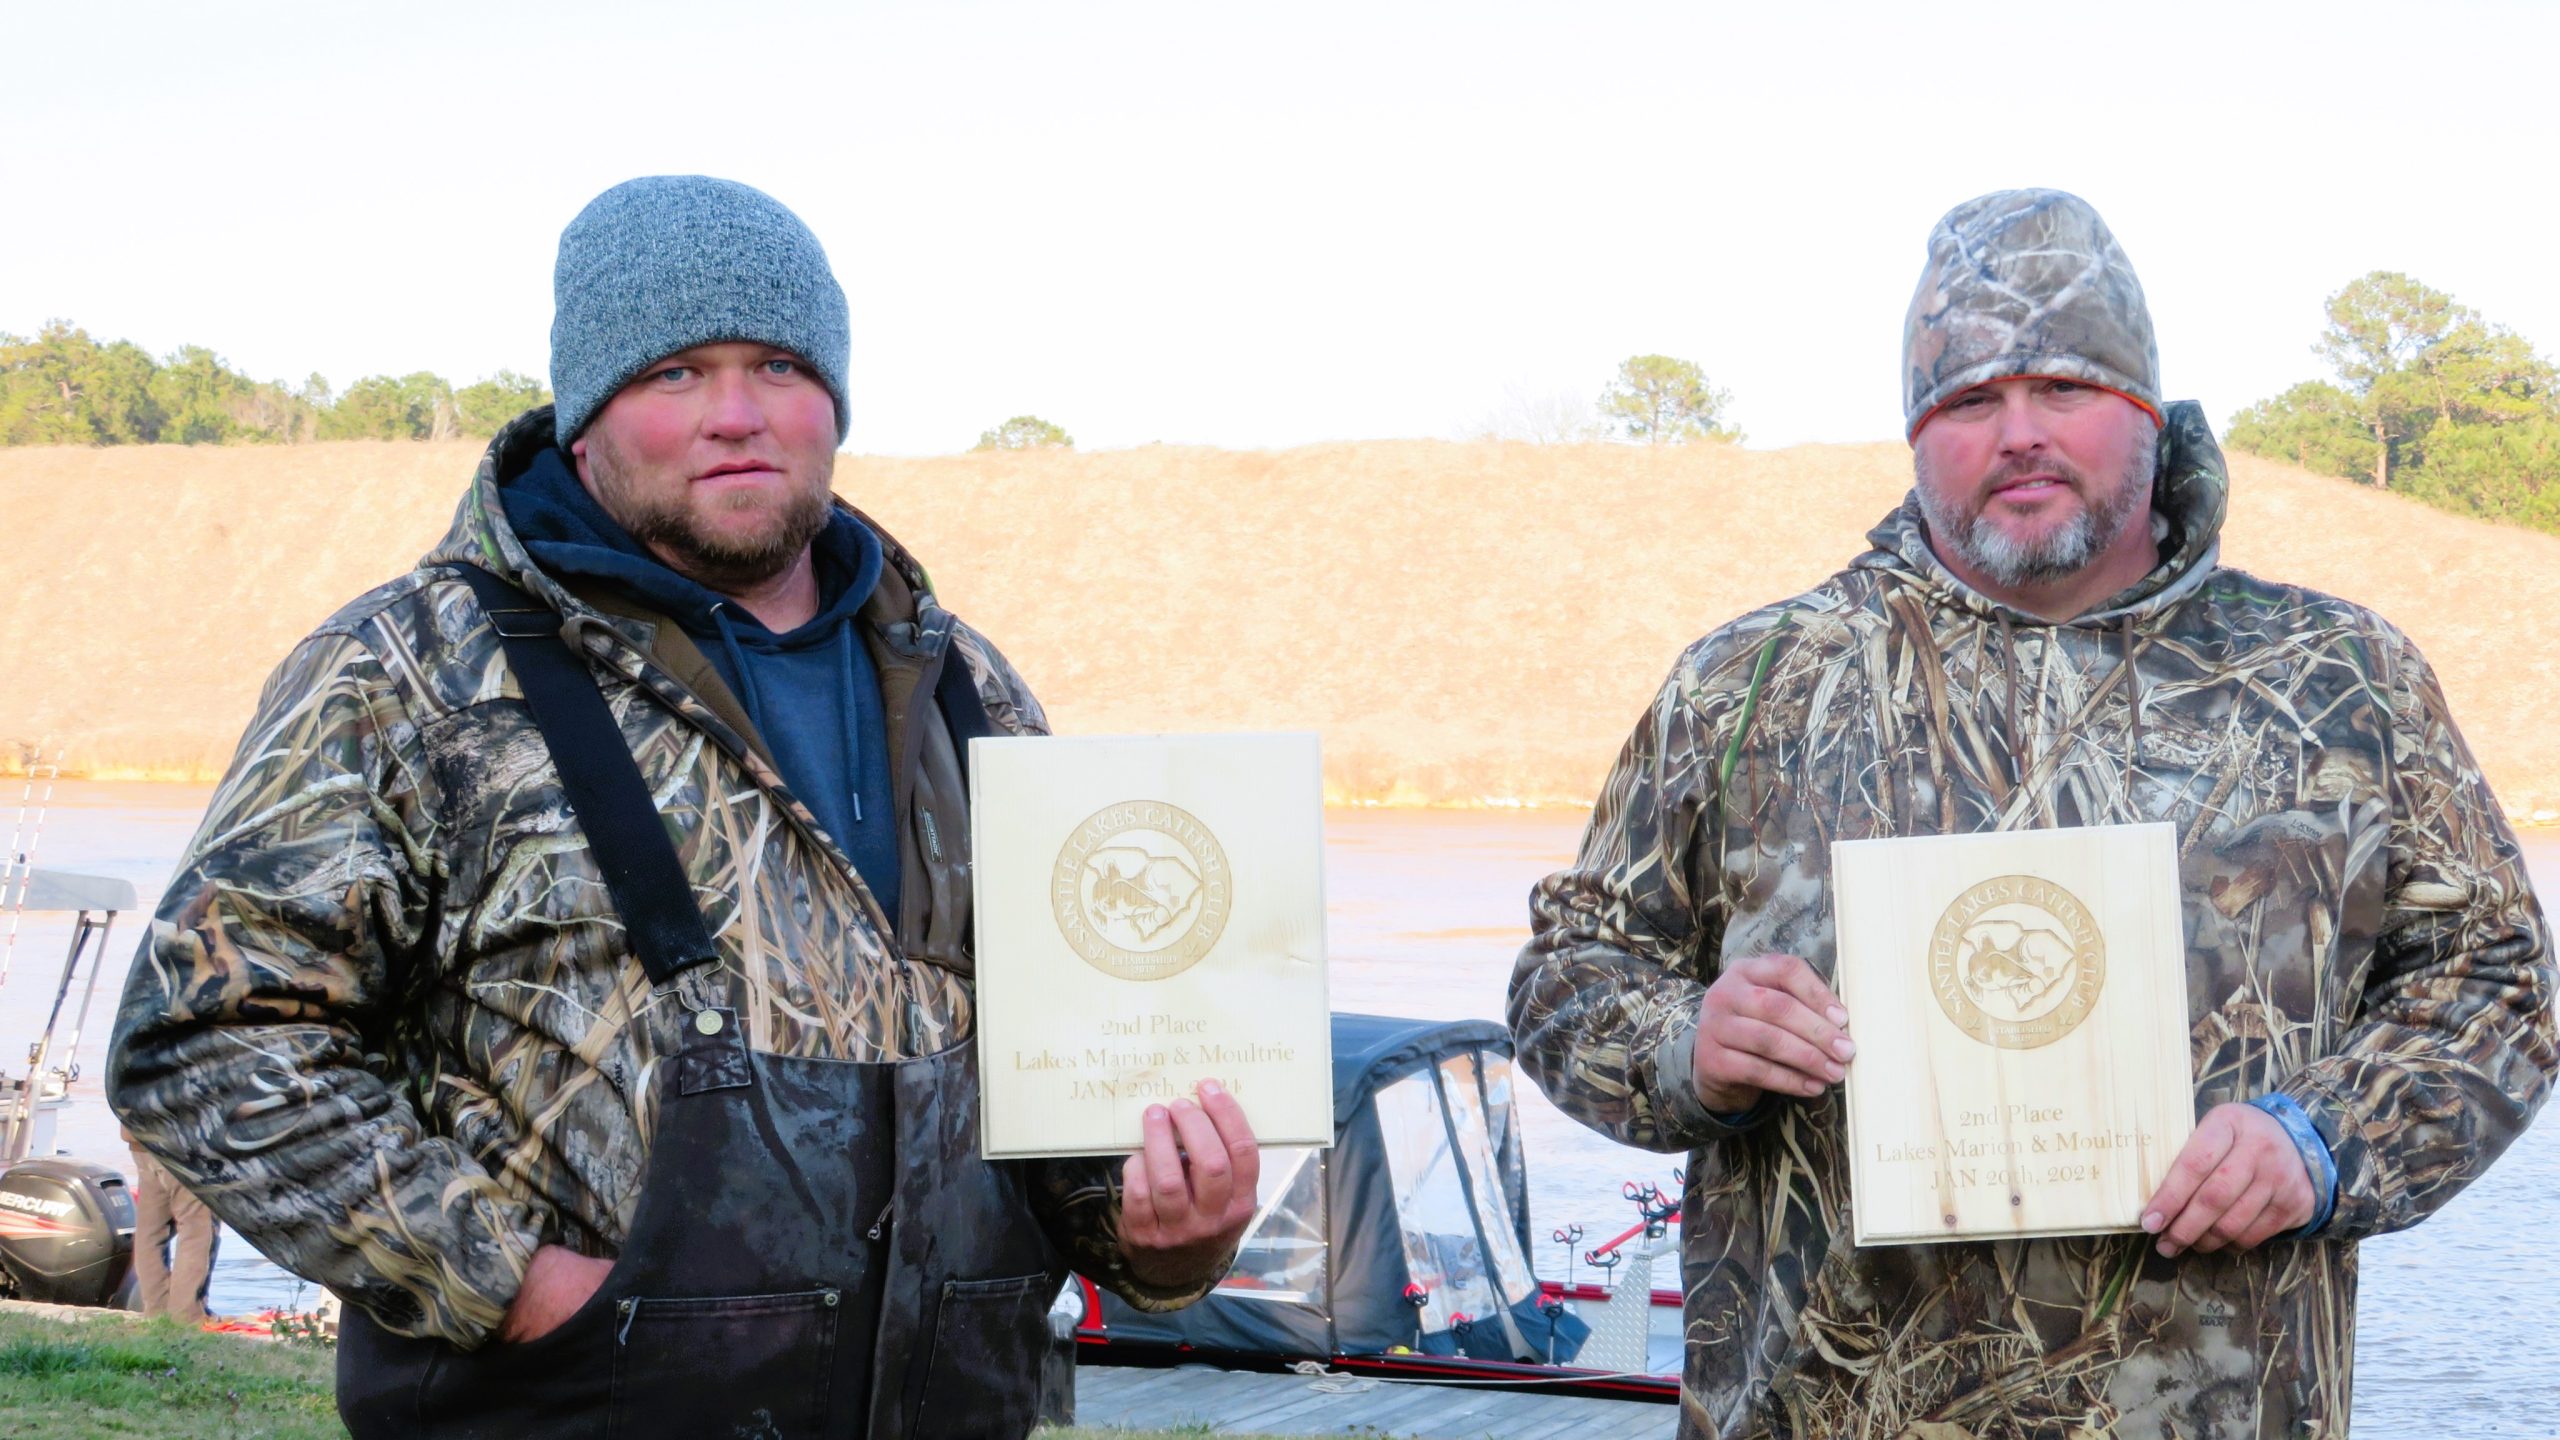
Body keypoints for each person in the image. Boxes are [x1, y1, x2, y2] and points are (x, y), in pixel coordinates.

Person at [107, 175, 1257, 1439]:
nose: (735, 414)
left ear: (835, 401)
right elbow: (206, 1043)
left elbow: (1063, 1066)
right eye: (673, 374)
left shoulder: (968, 690)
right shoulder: (406, 673)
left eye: (777, 364)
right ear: (587, 414)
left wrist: (1159, 1235)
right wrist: (513, 1287)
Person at [1507, 188, 2554, 1438]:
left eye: (2062, 387)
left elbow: (2497, 983)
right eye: (1966, 401)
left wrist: (2319, 1146)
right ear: (1914, 433)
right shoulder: (1753, 684)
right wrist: (1690, 1043)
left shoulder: (2336, 675)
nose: (2017, 433)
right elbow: (1567, 974)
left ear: (2145, 417)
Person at [121, 1125, 217, 1324]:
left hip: (140, 1137)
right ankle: (187, 1316)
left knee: (150, 1230)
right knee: (197, 1229)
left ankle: (157, 1312)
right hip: (183, 1144)